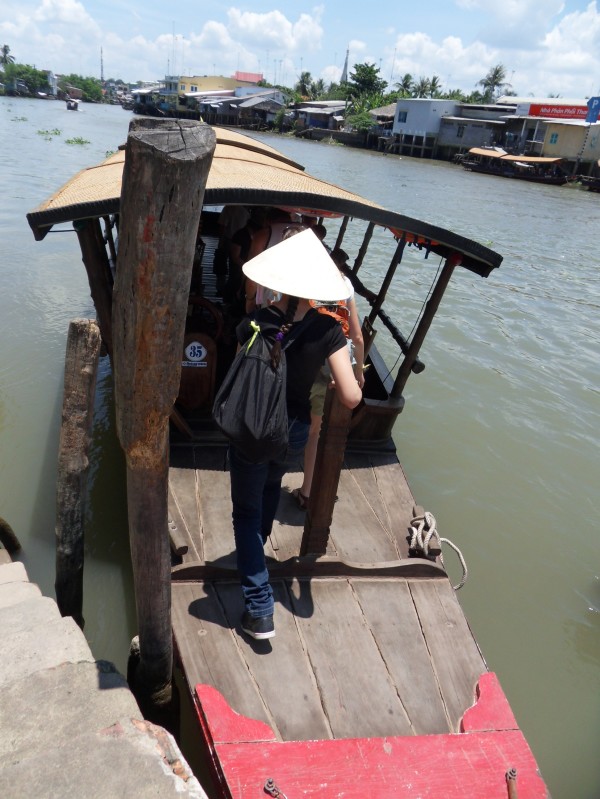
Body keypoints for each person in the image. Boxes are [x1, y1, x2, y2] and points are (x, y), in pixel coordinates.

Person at [229, 229, 362, 640]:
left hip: (253, 426)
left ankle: (259, 609)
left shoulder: (257, 321)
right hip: (294, 430)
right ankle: (257, 550)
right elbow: (351, 396)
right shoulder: (329, 329)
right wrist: (343, 378)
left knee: (245, 512)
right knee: (271, 485)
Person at [292, 247, 365, 510]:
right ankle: (313, 491)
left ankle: (305, 490)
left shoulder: (304, 282)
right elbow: (357, 337)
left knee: (312, 430)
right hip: (338, 365)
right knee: (326, 430)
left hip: (310, 357)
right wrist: (358, 372)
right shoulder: (344, 285)